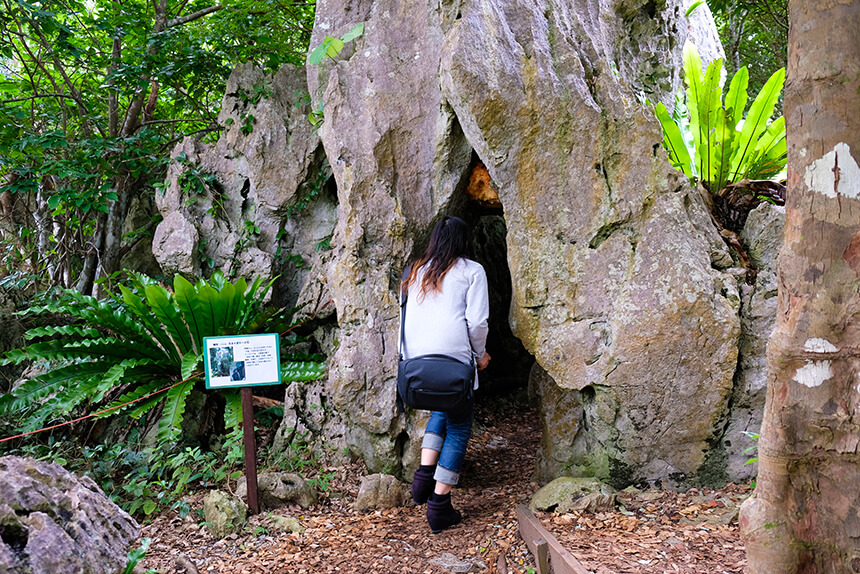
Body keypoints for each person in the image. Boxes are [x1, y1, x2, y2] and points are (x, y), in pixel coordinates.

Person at [400, 215, 491, 533]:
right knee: (460, 427)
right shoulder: (471, 271)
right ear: (464, 242)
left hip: (417, 368)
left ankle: (424, 476)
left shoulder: (414, 271)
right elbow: (477, 323)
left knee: (443, 407)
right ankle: (439, 505)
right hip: (453, 365)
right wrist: (481, 356)